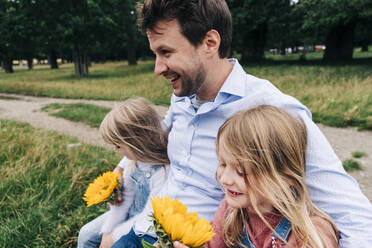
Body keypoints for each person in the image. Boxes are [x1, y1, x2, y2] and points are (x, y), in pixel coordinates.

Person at [113, 0, 372, 247]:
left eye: (166, 52)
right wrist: (122, 166)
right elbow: (158, 141)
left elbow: (351, 213)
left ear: (210, 42)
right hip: (147, 227)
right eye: (155, 53)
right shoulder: (182, 96)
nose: (158, 68)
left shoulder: (272, 110)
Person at [175, 105, 339, 248]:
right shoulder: (232, 212)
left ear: (284, 177)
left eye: (241, 172)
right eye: (223, 164)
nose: (225, 179)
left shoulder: (310, 234)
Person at [77, 97, 168, 248]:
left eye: (118, 146)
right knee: (86, 236)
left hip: (150, 228)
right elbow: (124, 202)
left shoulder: (162, 172)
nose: (115, 150)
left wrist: (113, 236)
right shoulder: (133, 164)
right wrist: (107, 233)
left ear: (137, 143)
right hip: (130, 215)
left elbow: (149, 217)